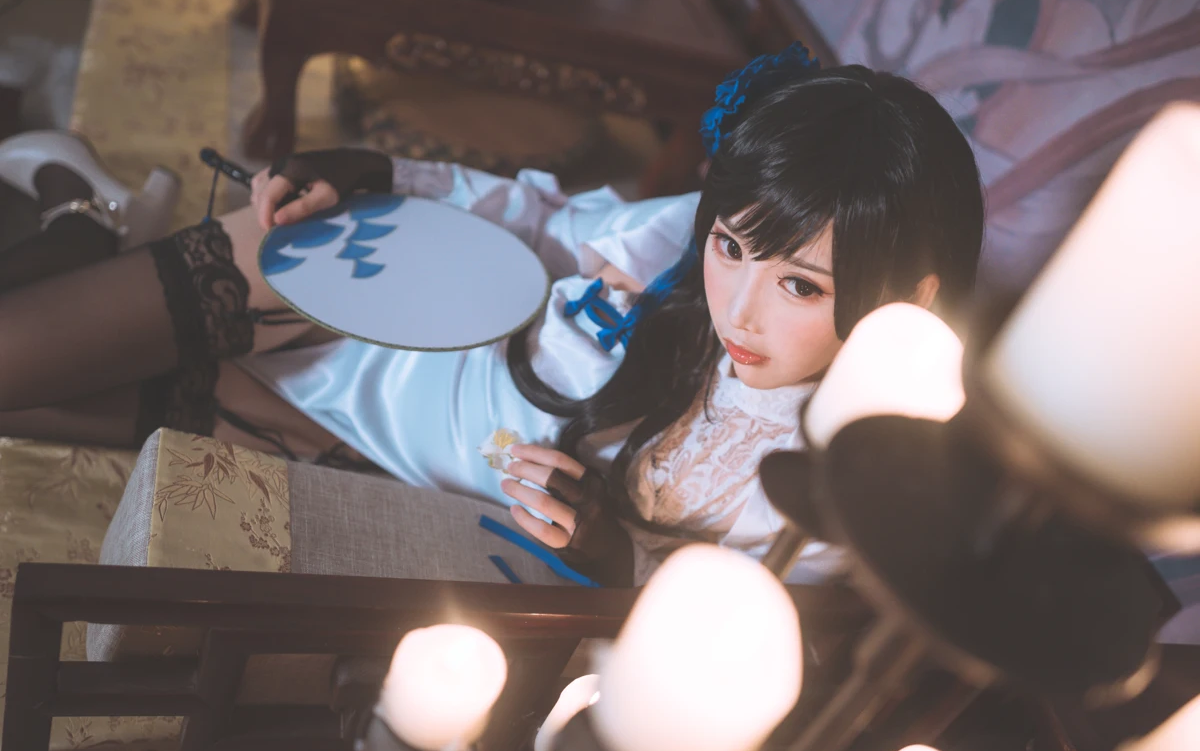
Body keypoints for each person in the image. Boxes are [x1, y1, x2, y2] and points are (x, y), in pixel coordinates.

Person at [0, 44, 984, 586]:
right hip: (357, 284)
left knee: (32, 395)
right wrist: (372, 170)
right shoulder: (698, 236)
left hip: (357, 446)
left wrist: (610, 550)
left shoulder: (836, 487)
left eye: (802, 286)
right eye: (730, 248)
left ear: (913, 300)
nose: (743, 307)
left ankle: (85, 214)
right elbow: (540, 215)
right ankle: (88, 219)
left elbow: (721, 619)